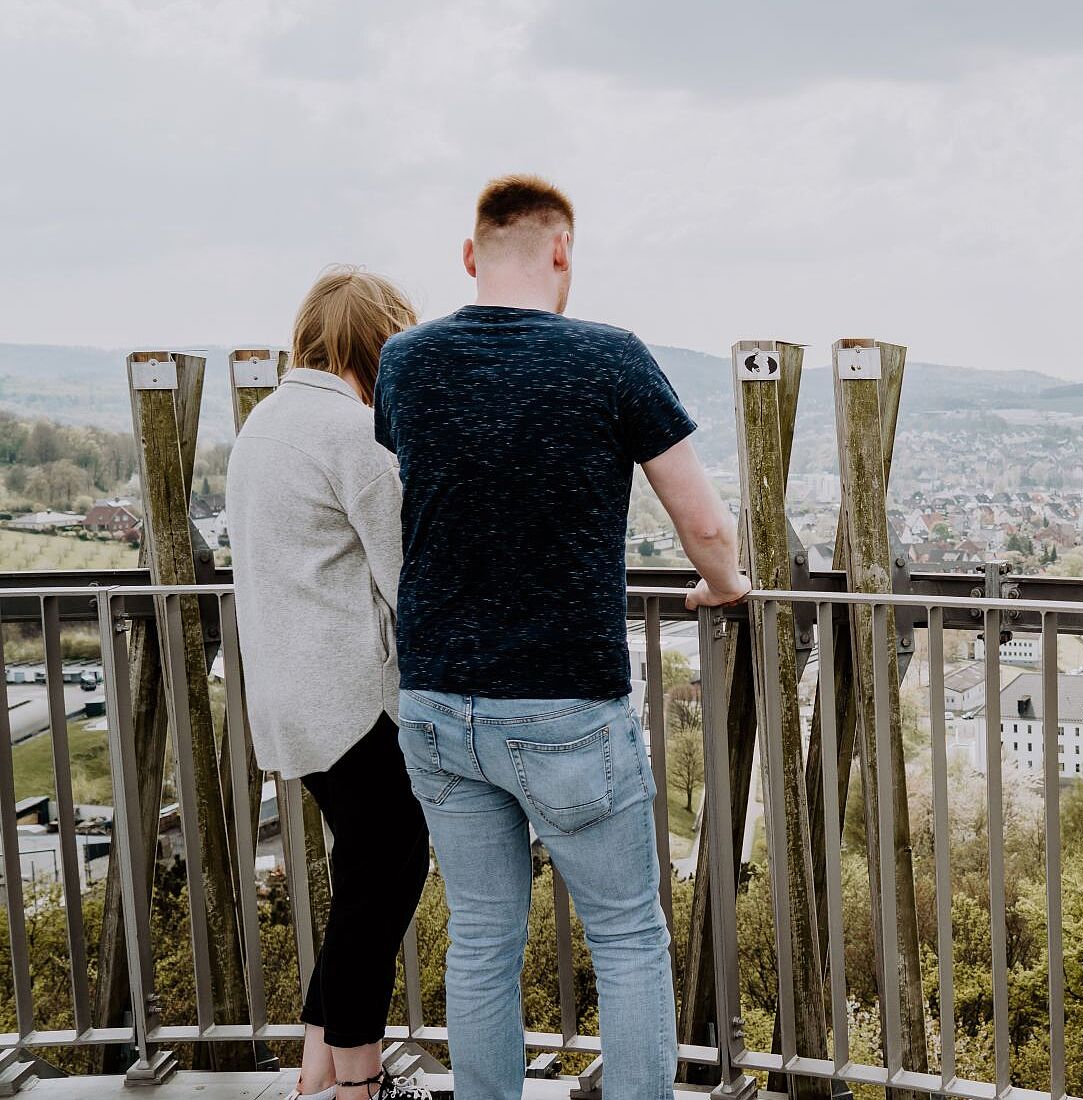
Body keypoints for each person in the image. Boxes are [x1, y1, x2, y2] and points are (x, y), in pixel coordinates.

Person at [375, 175, 750, 1100]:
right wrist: (726, 588)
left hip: (433, 699)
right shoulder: (611, 358)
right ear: (562, 253)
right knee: (625, 935)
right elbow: (703, 524)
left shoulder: (406, 361)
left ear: (470, 256)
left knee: (481, 936)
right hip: (565, 704)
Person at [227, 266, 433, 1100]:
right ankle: (360, 1084)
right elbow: (404, 574)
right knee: (383, 885)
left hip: (289, 699)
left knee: (363, 882)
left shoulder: (266, 423)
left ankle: (320, 1074)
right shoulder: (353, 433)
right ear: (381, 342)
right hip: (352, 701)